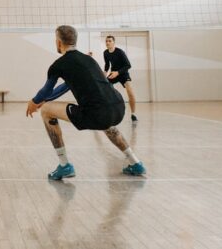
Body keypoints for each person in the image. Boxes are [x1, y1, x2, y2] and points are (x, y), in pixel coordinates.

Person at [26, 25, 146, 180]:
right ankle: (135, 163)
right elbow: (65, 87)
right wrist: (42, 99)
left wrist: (35, 101)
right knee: (106, 121)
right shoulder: (88, 59)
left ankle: (64, 166)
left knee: (47, 110)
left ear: (58, 42)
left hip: (96, 113)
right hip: (118, 107)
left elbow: (47, 91)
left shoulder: (58, 65)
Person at [104, 35, 138, 123]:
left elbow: (128, 65)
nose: (107, 43)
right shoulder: (106, 52)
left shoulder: (120, 52)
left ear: (113, 42)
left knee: (130, 92)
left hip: (123, 73)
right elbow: (107, 65)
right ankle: (107, 111)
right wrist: (104, 74)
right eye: (106, 41)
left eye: (110, 41)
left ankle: (133, 114)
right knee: (104, 89)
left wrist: (117, 73)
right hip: (113, 73)